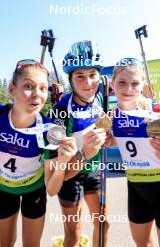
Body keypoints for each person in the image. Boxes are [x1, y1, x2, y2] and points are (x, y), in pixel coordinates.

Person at [0, 59, 77, 247]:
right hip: (3, 189)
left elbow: (52, 190)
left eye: (43, 88)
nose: (36, 95)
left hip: (33, 190)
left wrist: (63, 161)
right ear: (12, 88)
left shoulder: (49, 131)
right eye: (28, 86)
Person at [111, 57, 160, 247]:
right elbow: (121, 140)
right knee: (142, 244)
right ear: (112, 83)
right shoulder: (112, 115)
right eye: (122, 82)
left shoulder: (157, 111)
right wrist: (109, 141)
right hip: (136, 189)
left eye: (135, 83)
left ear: (143, 86)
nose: (128, 89)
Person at [51, 40, 110, 247]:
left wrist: (107, 138)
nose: (88, 82)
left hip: (95, 171)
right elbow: (61, 171)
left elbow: (105, 129)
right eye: (80, 76)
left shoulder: (100, 98)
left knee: (104, 224)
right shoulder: (60, 111)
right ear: (71, 79)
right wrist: (85, 153)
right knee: (73, 234)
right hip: (70, 174)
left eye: (92, 75)